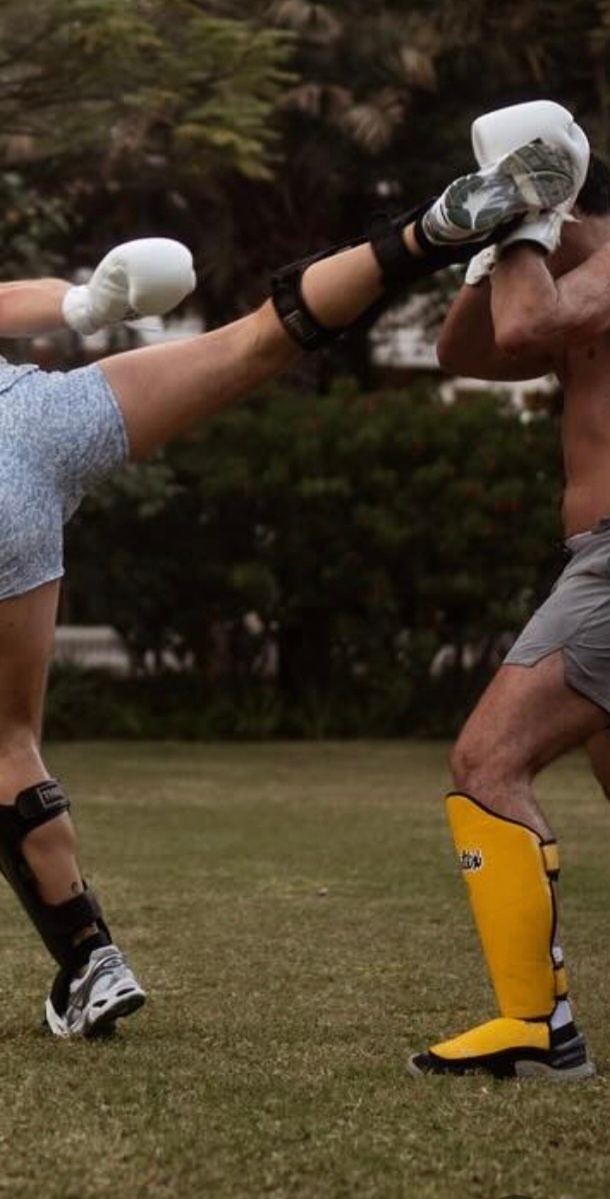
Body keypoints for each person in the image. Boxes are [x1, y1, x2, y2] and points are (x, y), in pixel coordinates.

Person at [0, 101, 586, 1040]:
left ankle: (90, 959)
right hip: (31, 415)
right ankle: (426, 230)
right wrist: (85, 304)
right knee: (258, 337)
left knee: (5, 743)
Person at [408, 121, 610, 1081]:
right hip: (591, 556)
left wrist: (528, 219)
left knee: (486, 761)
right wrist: (492, 240)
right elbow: (465, 351)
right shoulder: (563, 286)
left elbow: (526, 329)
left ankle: (537, 1028)